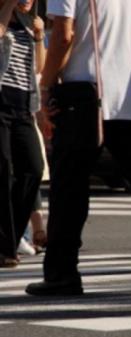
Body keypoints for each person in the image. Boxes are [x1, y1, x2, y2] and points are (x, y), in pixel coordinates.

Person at [26, 0, 131, 296]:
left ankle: (62, 273)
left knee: (69, 189)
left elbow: (64, 35)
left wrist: (45, 86)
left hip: (84, 96)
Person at [0, 0, 45, 268]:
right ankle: (7, 247)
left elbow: (39, 67)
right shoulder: (4, 17)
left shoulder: (30, 24)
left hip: (23, 107)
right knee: (3, 170)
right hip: (0, 104)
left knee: (33, 168)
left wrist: (39, 36)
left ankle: (10, 238)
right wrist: (8, 6)